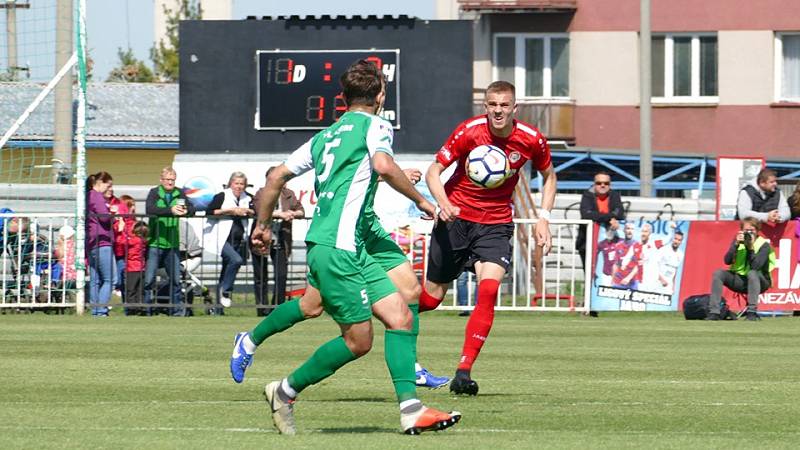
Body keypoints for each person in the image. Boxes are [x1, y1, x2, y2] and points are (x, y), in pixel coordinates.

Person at [240, 60, 460, 435]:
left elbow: (276, 176)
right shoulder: (376, 124)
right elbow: (383, 165)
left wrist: (261, 225)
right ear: (381, 96)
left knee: (400, 317)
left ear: (342, 99)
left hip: (344, 245)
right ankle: (285, 390)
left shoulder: (326, 136)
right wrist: (423, 202)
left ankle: (411, 409)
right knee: (359, 341)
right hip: (338, 248)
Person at [416, 80, 557, 396]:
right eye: (492, 104)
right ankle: (393, 312)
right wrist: (444, 203)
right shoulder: (469, 131)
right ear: (486, 106)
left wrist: (543, 218)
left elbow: (550, 176)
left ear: (514, 108)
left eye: (504, 105)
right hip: (456, 220)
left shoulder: (531, 139)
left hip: (495, 225)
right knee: (431, 299)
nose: (498, 110)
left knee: (489, 290)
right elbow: (433, 172)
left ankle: (463, 372)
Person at [251, 167, 304, 316]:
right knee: (261, 275)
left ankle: (277, 308)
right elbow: (259, 209)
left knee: (281, 274)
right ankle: (262, 308)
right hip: (262, 238)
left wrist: (293, 213)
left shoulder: (288, 194)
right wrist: (280, 214)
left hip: (281, 237)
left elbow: (301, 210)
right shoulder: (261, 193)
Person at [144, 167, 194, 316]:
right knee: (149, 279)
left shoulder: (180, 193)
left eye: (173, 180)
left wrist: (187, 211)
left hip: (172, 243)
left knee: (176, 280)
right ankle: (147, 310)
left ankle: (176, 311)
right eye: (168, 180)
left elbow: (192, 208)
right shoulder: (154, 193)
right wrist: (170, 210)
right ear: (161, 180)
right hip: (155, 241)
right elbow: (150, 209)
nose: (170, 182)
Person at [707, 218, 775, 321]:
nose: (749, 233)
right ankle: (714, 312)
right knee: (718, 273)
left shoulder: (763, 245)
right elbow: (727, 261)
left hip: (760, 281)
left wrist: (750, 248)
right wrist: (735, 245)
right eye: (746, 230)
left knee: (752, 273)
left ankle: (751, 312)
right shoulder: (738, 241)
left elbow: (756, 266)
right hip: (740, 279)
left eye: (752, 230)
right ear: (741, 230)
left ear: (757, 231)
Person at [204, 171, 254, 311]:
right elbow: (209, 211)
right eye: (236, 183)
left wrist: (248, 212)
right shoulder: (222, 196)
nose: (239, 186)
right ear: (231, 183)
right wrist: (230, 211)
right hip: (222, 237)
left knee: (226, 271)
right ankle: (226, 290)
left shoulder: (248, 198)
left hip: (239, 239)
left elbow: (256, 210)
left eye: (241, 184)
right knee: (236, 260)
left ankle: (218, 309)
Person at [576, 171, 625, 269]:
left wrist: (598, 216)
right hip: (588, 243)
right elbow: (586, 214)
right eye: (599, 183)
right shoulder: (587, 195)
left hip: (610, 243)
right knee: (589, 274)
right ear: (594, 184)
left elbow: (619, 213)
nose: (602, 185)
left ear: (610, 185)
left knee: (609, 273)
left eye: (606, 183)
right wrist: (610, 217)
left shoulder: (614, 195)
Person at [86, 172, 115, 316]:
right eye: (108, 185)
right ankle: (101, 309)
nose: (109, 189)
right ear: (100, 183)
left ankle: (95, 309)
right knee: (110, 279)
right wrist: (112, 215)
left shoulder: (88, 196)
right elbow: (104, 218)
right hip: (102, 242)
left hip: (92, 243)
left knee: (95, 279)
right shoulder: (96, 196)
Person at [123, 221, 148, 315]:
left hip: (132, 268)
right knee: (139, 290)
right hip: (141, 267)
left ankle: (132, 308)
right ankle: (140, 307)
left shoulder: (134, 240)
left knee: (131, 289)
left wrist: (124, 230)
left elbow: (122, 241)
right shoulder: (144, 241)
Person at [611, 222, 640, 289]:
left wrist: (628, 278)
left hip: (632, 281)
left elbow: (638, 265)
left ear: (634, 231)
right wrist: (612, 280)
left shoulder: (638, 245)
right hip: (619, 280)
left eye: (632, 229)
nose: (630, 231)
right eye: (628, 229)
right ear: (624, 230)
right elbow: (616, 264)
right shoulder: (618, 245)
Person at [655, 230, 685, 295]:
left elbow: (675, 270)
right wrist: (661, 280)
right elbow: (653, 266)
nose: (676, 241)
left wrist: (673, 287)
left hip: (668, 287)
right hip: (657, 284)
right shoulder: (663, 250)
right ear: (672, 239)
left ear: (681, 242)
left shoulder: (680, 254)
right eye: (675, 239)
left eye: (679, 240)